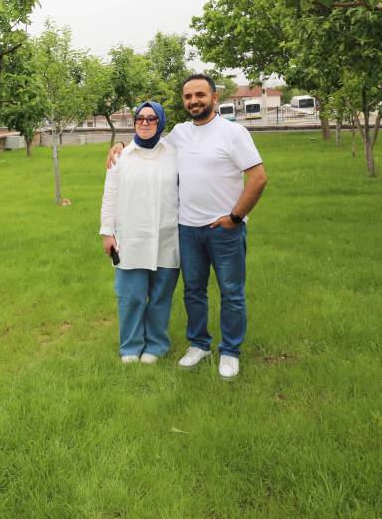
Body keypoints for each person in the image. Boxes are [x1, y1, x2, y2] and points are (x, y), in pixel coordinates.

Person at [107, 74, 266, 379]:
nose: (194, 101)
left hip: (224, 230)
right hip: (187, 230)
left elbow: (258, 177)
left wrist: (235, 218)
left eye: (200, 95)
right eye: (188, 96)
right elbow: (149, 143)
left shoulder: (234, 133)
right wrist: (120, 144)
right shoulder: (180, 133)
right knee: (193, 291)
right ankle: (199, 344)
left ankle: (230, 351)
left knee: (231, 291)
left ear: (214, 98)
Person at [99, 101, 180, 364]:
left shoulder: (174, 152)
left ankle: (156, 345)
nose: (144, 123)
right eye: (140, 118)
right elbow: (109, 196)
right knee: (131, 296)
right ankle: (131, 346)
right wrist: (107, 232)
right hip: (130, 236)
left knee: (160, 296)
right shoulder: (121, 156)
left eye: (151, 118)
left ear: (161, 122)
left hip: (167, 236)